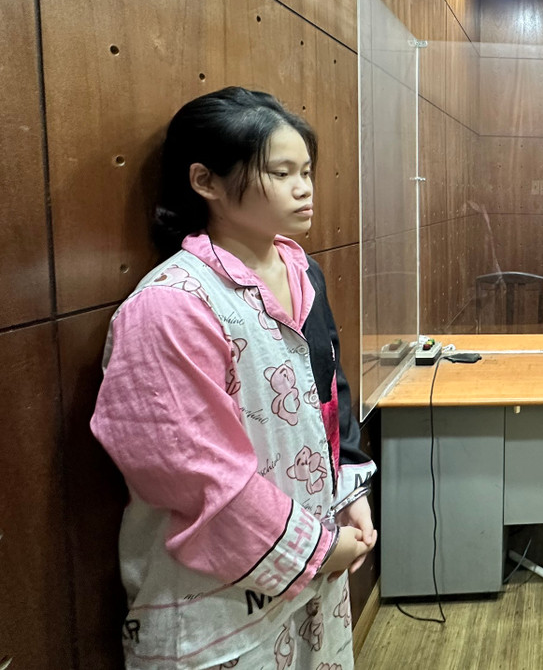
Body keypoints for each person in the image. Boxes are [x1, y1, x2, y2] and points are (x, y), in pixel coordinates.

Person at [92, 87, 378, 669]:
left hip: (316, 557)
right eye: (280, 172)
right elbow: (195, 473)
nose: (304, 187)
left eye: (306, 171)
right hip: (220, 602)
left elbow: (330, 390)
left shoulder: (302, 269)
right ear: (206, 182)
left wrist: (349, 494)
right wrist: (315, 552)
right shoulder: (171, 305)